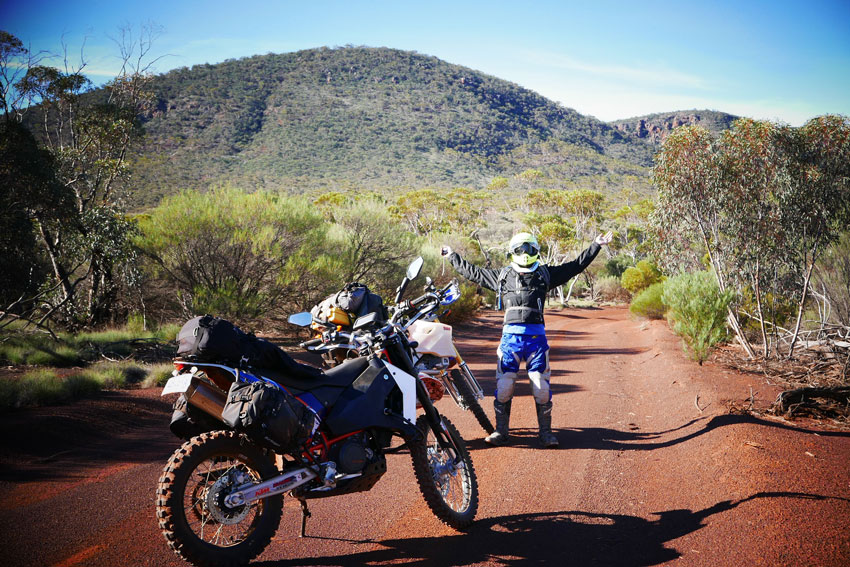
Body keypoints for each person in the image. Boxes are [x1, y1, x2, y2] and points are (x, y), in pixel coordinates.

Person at [441, 230, 612, 448]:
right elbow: (472, 272)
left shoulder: (545, 274)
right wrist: (452, 256)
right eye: (520, 249)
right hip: (510, 340)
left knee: (540, 387)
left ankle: (546, 433)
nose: (524, 253)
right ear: (512, 252)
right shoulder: (501, 276)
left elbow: (575, 265)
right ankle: (501, 432)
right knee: (504, 387)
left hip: (536, 341)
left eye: (529, 248)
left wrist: (596, 245)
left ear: (536, 251)